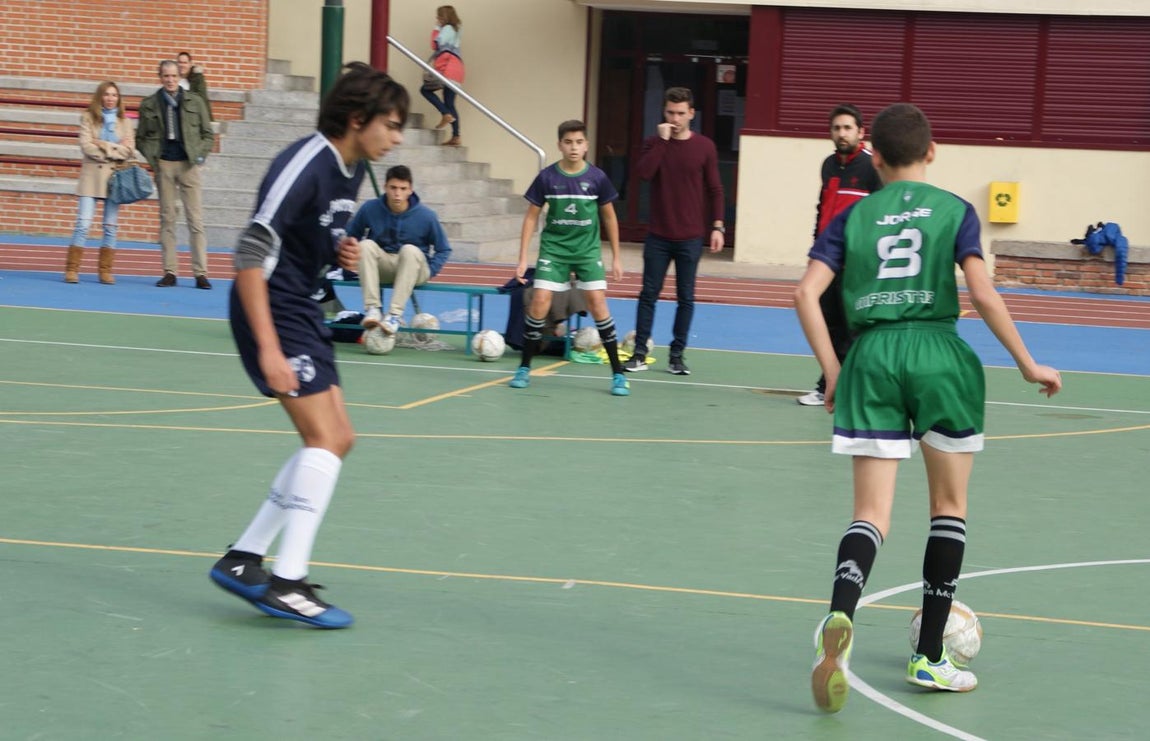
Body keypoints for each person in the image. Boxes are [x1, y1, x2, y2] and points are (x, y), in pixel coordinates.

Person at [795, 102, 1062, 713]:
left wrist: (834, 371)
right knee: (948, 507)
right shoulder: (956, 210)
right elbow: (982, 292)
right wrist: (1027, 363)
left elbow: (805, 293)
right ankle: (930, 656)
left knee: (870, 514)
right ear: (932, 151)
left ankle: (840, 616)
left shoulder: (853, 216)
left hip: (872, 358)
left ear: (875, 159)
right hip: (939, 356)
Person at [208, 62, 408, 629]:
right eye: (392, 125)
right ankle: (287, 582)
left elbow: (306, 235)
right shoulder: (305, 162)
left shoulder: (352, 168)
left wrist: (335, 250)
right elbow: (251, 252)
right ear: (357, 118)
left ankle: (244, 558)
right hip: (271, 307)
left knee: (338, 438)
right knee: (324, 438)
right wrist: (269, 349)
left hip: (298, 305)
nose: (396, 138)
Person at [508, 119, 627, 396]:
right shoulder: (547, 177)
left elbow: (610, 217)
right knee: (539, 301)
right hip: (554, 250)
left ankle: (618, 374)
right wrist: (523, 258)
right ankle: (524, 367)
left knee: (598, 304)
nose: (574, 147)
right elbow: (531, 217)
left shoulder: (597, 178)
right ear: (559, 145)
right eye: (568, 142)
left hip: (587, 252)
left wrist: (617, 257)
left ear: (586, 145)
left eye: (579, 142)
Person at [623, 86, 724, 376]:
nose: (675, 119)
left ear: (691, 113)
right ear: (664, 113)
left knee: (686, 298)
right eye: (670, 113)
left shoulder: (705, 147)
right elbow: (644, 173)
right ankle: (639, 354)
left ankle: (677, 356)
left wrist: (718, 226)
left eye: (680, 113)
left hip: (690, 237)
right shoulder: (654, 144)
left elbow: (715, 189)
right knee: (648, 295)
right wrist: (662, 143)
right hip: (658, 235)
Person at [797, 104, 884, 407]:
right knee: (829, 325)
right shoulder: (828, 165)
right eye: (836, 128)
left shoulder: (872, 167)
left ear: (861, 132)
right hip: (827, 262)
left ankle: (855, 387)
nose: (842, 133)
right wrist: (816, 249)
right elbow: (822, 208)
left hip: (857, 264)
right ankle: (827, 385)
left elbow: (880, 216)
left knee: (853, 330)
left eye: (847, 128)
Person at [345, 164, 452, 352]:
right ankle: (373, 309)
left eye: (403, 189)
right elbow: (351, 235)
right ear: (385, 187)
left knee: (409, 250)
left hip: (415, 268)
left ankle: (394, 316)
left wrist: (430, 271)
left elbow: (443, 249)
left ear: (410, 190)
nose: (397, 194)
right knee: (365, 245)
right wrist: (350, 254)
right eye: (393, 188)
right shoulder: (370, 208)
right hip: (385, 265)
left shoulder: (426, 216)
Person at [136, 59, 214, 289]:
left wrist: (199, 156)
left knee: (195, 220)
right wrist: (154, 160)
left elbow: (207, 134)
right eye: (165, 76)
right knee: (167, 219)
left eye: (173, 76)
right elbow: (141, 138)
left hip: (189, 164)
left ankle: (200, 273)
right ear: (160, 77)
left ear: (179, 77)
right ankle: (170, 271)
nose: (170, 80)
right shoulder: (149, 104)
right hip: (165, 165)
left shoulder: (195, 101)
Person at [64, 81, 136, 285]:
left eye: (114, 95)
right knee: (83, 224)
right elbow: (86, 147)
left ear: (118, 98)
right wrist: (114, 148)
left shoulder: (125, 122)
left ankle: (105, 271)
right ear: (100, 97)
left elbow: (129, 150)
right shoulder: (88, 117)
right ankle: (72, 269)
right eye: (106, 94)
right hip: (91, 178)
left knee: (110, 226)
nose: (110, 98)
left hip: (114, 179)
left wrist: (102, 145)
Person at [420, 5, 464, 146]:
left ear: (444, 17)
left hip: (447, 68)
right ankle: (456, 136)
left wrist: (437, 28)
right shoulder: (456, 30)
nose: (437, 18)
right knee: (450, 103)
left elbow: (435, 45)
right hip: (458, 69)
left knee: (425, 90)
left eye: (439, 16)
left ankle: (445, 113)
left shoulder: (447, 29)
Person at [176, 50, 214, 122]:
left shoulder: (197, 79)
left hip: (195, 119)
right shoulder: (173, 79)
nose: (182, 65)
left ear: (190, 64)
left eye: (185, 63)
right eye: (180, 62)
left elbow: (201, 99)